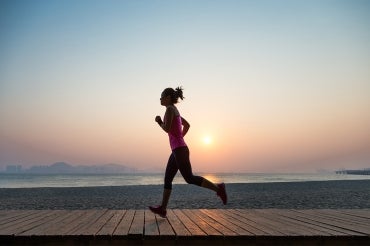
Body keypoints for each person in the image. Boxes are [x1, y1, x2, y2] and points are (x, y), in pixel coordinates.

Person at [149, 86, 227, 218]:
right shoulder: (175, 110)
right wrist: (179, 138)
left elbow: (167, 129)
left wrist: (159, 122)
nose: (160, 98)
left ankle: (219, 188)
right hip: (177, 150)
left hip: (179, 150)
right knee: (168, 178)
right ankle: (162, 208)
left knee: (189, 178)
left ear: (168, 97)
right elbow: (187, 125)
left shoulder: (169, 109)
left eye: (162, 96)